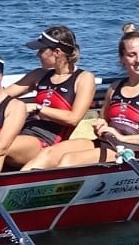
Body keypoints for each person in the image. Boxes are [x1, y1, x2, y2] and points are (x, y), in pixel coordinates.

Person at [38, 24, 139, 168]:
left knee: (69, 161)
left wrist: (122, 137)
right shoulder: (115, 87)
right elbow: (103, 119)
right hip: (107, 144)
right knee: (50, 153)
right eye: (131, 55)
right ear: (122, 58)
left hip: (130, 150)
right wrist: (100, 125)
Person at [15, 25, 100, 170]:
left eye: (41, 50)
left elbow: (73, 118)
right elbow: (2, 96)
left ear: (57, 52)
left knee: (3, 146)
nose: (37, 55)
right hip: (24, 131)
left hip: (46, 141)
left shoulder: (83, 78)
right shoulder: (39, 75)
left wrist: (38, 108)